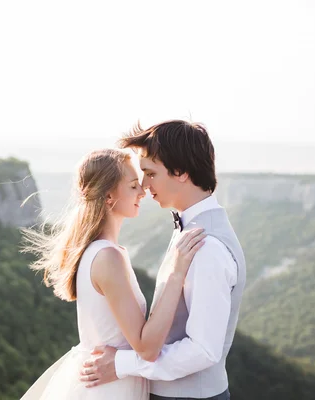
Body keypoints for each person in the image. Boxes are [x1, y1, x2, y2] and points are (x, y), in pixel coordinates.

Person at [79, 120, 247, 400]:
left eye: (150, 173)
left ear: (180, 172)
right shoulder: (190, 230)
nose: (144, 185)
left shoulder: (207, 246)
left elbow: (203, 350)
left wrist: (122, 364)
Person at [20, 148, 206, 399]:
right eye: (132, 186)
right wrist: (176, 273)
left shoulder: (100, 251)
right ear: (109, 195)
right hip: (111, 390)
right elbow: (147, 348)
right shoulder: (108, 257)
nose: (142, 192)